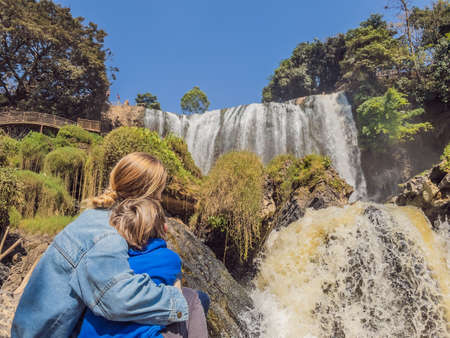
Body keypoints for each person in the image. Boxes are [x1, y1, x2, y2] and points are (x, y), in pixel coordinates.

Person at [12, 153, 189, 337]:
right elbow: (116, 298)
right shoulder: (107, 235)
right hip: (44, 334)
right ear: (146, 194)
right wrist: (175, 299)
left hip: (34, 328)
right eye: (159, 191)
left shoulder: (97, 216)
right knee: (187, 308)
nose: (160, 199)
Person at [78, 198, 208, 338]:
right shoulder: (169, 258)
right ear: (163, 228)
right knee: (195, 298)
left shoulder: (110, 257)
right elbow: (177, 297)